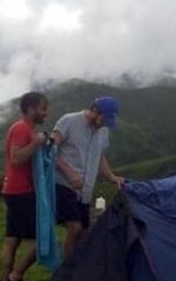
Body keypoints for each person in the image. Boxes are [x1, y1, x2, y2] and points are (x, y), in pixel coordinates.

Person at [51, 96, 124, 259]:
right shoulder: (69, 121)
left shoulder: (103, 131)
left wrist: (111, 177)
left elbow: (100, 156)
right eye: (103, 119)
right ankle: (67, 271)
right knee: (74, 227)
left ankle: (78, 265)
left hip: (85, 189)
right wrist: (69, 173)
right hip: (63, 183)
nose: (104, 124)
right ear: (95, 111)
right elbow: (50, 151)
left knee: (84, 231)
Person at [0, 91, 49, 281]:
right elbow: (16, 157)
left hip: (14, 190)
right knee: (42, 240)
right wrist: (36, 143)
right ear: (30, 109)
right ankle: (13, 279)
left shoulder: (27, 129)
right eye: (43, 108)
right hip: (21, 191)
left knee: (12, 240)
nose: (46, 113)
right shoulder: (21, 128)